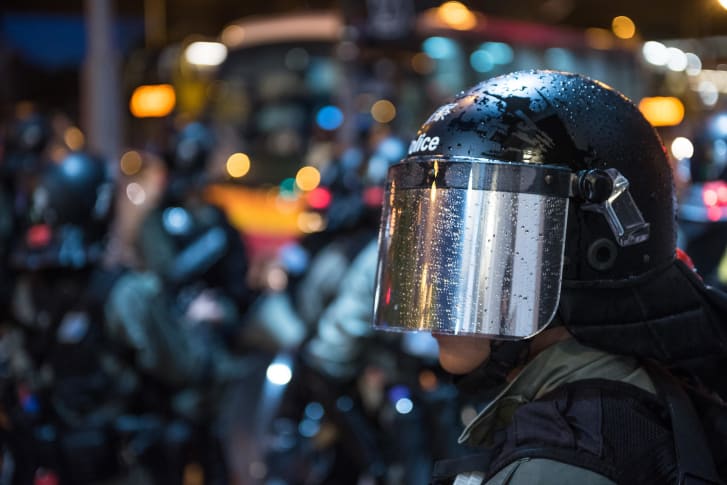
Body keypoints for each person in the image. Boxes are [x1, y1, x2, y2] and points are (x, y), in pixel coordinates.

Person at [371, 70, 727, 484]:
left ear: (594, 254)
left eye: (481, 258)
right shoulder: (630, 398)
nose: (443, 293)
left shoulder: (562, 461)